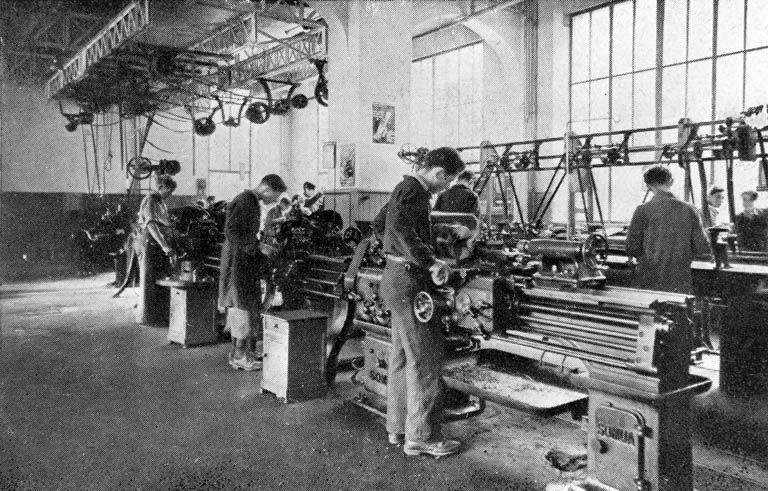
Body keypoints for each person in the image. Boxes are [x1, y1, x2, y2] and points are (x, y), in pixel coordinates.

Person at [380, 147, 465, 457]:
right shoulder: (414, 190)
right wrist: (430, 261)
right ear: (439, 174)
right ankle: (422, 437)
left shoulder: (404, 189)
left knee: (403, 357)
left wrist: (429, 237)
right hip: (410, 281)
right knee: (426, 358)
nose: (446, 187)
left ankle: (399, 428)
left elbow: (384, 224)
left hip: (395, 276)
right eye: (449, 181)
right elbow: (401, 229)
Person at [218, 174, 287, 371]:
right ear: (266, 188)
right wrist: (258, 246)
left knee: (245, 305)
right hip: (237, 260)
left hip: (243, 258)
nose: (274, 201)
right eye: (275, 195)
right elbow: (231, 231)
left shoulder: (250, 201)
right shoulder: (245, 200)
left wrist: (258, 246)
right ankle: (240, 356)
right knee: (242, 308)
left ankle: (242, 352)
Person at [626, 166, 710, 294]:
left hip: (648, 280)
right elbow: (702, 247)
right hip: (679, 281)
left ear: (648, 185)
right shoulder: (690, 209)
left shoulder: (642, 210)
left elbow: (632, 247)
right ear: (671, 182)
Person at [136, 175, 177, 325]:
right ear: (160, 187)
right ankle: (148, 318)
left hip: (157, 243)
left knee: (160, 279)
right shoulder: (151, 200)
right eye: (168, 191)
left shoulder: (160, 202)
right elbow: (152, 225)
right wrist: (165, 246)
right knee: (149, 279)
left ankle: (159, 316)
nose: (170, 194)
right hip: (150, 243)